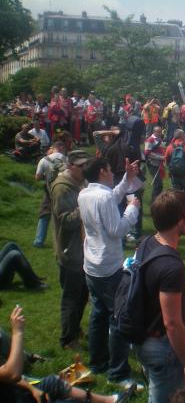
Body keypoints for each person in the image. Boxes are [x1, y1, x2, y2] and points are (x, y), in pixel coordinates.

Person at [78, 157, 142, 385]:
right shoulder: (103, 196)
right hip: (108, 266)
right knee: (117, 318)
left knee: (98, 314)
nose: (112, 172)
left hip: (92, 265)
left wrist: (128, 179)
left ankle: (97, 362)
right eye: (110, 169)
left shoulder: (85, 193)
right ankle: (118, 372)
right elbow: (117, 229)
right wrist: (132, 210)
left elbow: (111, 198)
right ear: (103, 171)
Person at [136, 190, 185, 403]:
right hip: (160, 345)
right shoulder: (171, 267)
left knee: (157, 390)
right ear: (179, 220)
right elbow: (172, 324)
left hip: (142, 334)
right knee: (167, 401)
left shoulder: (147, 243)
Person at [0, 306, 135, 403]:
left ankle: (110, 401)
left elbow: (7, 376)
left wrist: (31, 388)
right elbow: (11, 374)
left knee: (54, 382)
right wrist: (17, 332)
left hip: (14, 392)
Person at [50, 150, 92, 349]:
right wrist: (84, 206)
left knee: (83, 294)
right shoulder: (61, 188)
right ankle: (67, 339)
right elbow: (64, 220)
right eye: (81, 166)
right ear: (70, 166)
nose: (85, 169)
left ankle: (75, 329)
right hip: (69, 250)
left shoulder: (80, 183)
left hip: (81, 250)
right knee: (71, 297)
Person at [32, 140, 66, 248]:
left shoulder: (44, 160)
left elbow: (37, 177)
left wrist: (46, 176)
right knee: (62, 217)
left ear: (53, 148)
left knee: (44, 215)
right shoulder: (66, 159)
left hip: (49, 191)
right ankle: (61, 242)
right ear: (61, 148)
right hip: (63, 191)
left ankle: (39, 241)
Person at [144, 126, 166, 204]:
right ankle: (154, 202)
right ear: (154, 132)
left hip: (159, 163)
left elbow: (162, 150)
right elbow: (147, 153)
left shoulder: (160, 139)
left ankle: (157, 201)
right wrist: (161, 157)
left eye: (160, 132)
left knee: (159, 184)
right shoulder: (149, 140)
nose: (160, 133)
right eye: (158, 132)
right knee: (158, 184)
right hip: (152, 163)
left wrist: (163, 157)